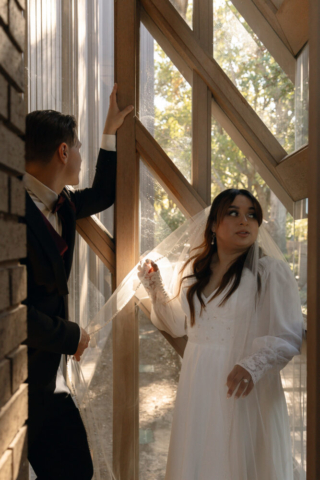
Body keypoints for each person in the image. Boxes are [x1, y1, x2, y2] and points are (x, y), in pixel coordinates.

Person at [138, 188, 304, 480]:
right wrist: (156, 287)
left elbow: (287, 334)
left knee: (239, 461)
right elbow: (177, 324)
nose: (245, 221)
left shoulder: (269, 272)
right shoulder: (194, 269)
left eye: (252, 215)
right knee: (201, 460)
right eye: (234, 213)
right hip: (198, 380)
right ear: (214, 224)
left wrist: (253, 365)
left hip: (243, 387)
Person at [22, 84, 133, 480]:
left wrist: (110, 131)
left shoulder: (64, 204)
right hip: (16, 382)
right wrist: (72, 336)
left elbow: (104, 193)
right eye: (79, 147)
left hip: (46, 378)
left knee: (75, 472)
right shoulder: (10, 213)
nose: (82, 156)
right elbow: (11, 312)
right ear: (63, 152)